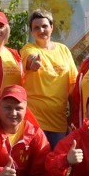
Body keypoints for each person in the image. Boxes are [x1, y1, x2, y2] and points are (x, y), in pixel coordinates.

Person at [20, 9, 78, 149]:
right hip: (34, 121)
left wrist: (73, 116)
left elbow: (73, 84)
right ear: (32, 32)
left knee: (57, 164)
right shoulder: (28, 48)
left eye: (44, 26)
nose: (41, 30)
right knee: (36, 167)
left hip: (59, 121)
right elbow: (29, 58)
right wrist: (33, 62)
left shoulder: (63, 50)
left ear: (52, 27)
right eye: (36, 28)